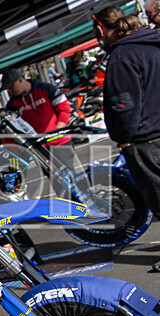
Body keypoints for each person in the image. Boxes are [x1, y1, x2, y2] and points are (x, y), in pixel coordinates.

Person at [92, 6, 160, 271]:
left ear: (101, 29)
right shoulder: (153, 44)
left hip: (146, 139)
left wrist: (125, 139)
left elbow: (124, 105)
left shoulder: (122, 56)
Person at [1, 68, 72, 139]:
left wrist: (59, 128)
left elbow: (65, 108)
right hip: (37, 144)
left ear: (20, 80)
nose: (9, 90)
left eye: (11, 87)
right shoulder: (12, 104)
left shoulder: (46, 88)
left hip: (61, 139)